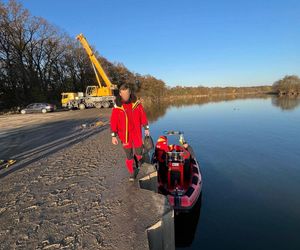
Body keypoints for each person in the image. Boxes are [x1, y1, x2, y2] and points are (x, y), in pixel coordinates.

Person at [110, 83, 150, 181]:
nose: (125, 96)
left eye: (127, 94)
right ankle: (132, 173)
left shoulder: (136, 103)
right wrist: (113, 136)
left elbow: (143, 116)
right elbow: (113, 121)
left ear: (130, 92)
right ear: (120, 93)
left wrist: (146, 128)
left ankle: (139, 166)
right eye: (123, 94)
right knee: (129, 155)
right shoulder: (117, 107)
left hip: (136, 133)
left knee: (139, 152)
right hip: (124, 135)